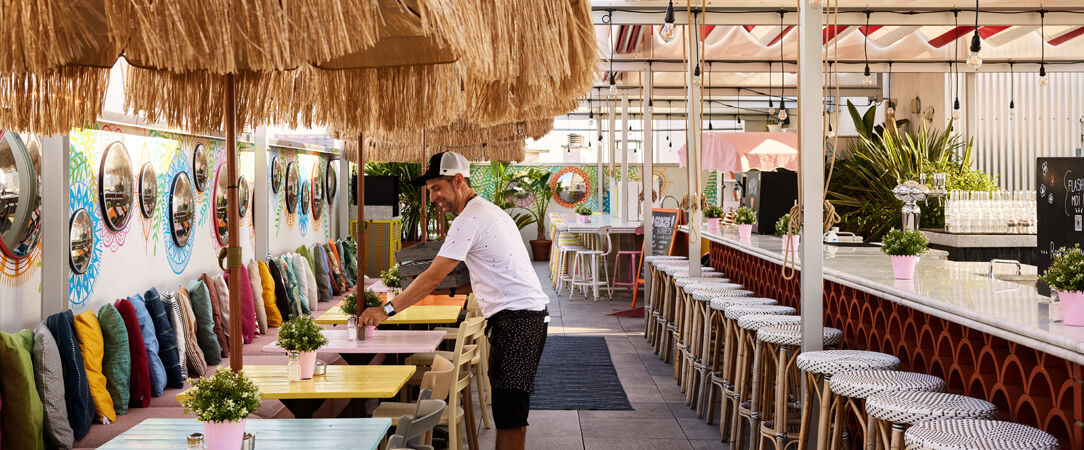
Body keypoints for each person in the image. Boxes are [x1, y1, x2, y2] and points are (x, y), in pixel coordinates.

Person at [361, 151, 549, 450]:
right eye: (431, 189)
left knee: (511, 413)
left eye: (437, 188)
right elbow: (472, 277)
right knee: (510, 411)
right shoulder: (488, 211)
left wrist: (386, 310)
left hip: (518, 321)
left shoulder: (468, 220)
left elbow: (433, 276)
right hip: (523, 318)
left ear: (458, 181)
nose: (434, 196)